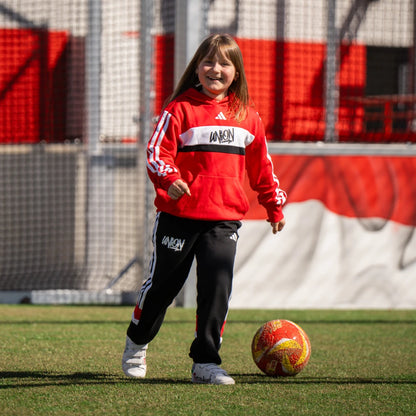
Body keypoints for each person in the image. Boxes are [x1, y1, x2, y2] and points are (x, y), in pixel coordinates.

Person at [122, 33, 287, 385]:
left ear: (236, 72)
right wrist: (170, 179)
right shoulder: (179, 109)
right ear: (197, 67)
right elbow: (156, 154)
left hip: (223, 222)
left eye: (225, 63)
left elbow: (262, 168)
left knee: (216, 290)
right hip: (178, 219)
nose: (216, 69)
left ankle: (206, 363)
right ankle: (137, 343)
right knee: (163, 288)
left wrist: (274, 205)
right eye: (209, 61)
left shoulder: (247, 117)